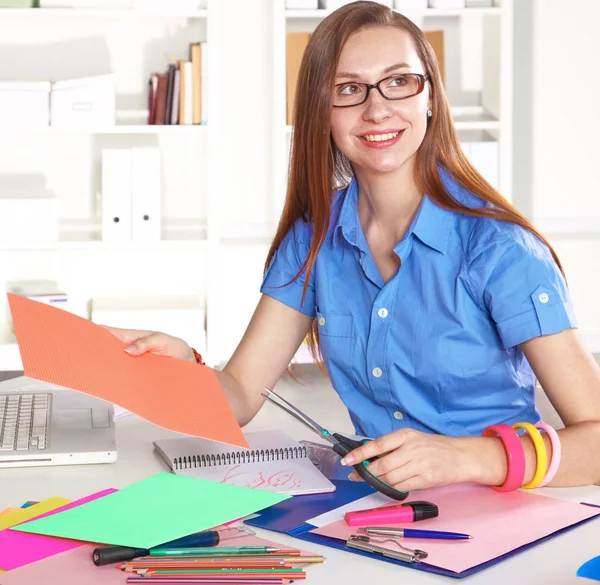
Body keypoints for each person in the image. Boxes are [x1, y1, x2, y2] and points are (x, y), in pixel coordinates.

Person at [107, 1, 600, 491]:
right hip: (382, 512)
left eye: (399, 81)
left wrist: (467, 458)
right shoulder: (314, 237)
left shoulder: (500, 250)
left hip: (505, 516)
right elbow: (238, 393)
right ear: (322, 113)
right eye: (348, 89)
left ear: (430, 97)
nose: (377, 108)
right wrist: (181, 369)